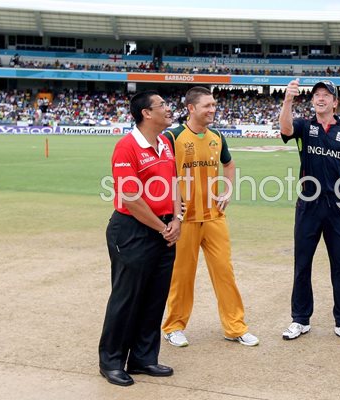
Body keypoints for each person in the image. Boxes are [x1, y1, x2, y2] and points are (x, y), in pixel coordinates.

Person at [161, 86, 259, 347]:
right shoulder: (172, 136)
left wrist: (228, 188)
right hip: (184, 220)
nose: (213, 109)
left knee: (225, 273)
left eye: (214, 105)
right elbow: (162, 174)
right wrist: (172, 210)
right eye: (207, 106)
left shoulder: (217, 136)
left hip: (215, 217)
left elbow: (229, 164)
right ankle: (173, 327)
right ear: (191, 108)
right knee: (182, 276)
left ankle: (234, 327)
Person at [98, 90, 182, 386]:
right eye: (162, 105)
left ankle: (143, 358)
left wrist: (176, 219)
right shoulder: (127, 146)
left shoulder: (165, 143)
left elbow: (173, 183)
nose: (168, 109)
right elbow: (131, 198)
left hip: (164, 229)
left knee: (154, 296)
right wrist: (163, 228)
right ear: (146, 113)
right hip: (132, 230)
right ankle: (111, 361)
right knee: (127, 297)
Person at [279, 79, 340, 344]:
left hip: (339, 206)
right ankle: (300, 319)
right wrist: (287, 100)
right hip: (308, 204)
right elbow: (284, 128)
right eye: (316, 95)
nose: (320, 98)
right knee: (302, 263)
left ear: (335, 102)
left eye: (326, 95)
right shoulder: (305, 127)